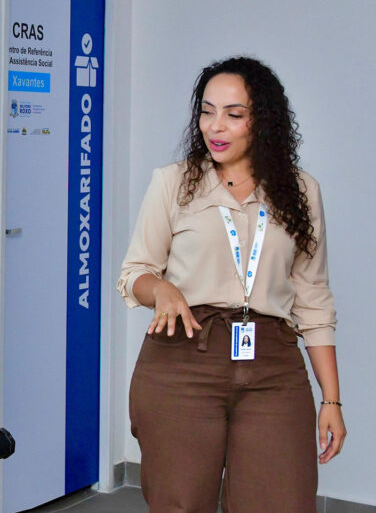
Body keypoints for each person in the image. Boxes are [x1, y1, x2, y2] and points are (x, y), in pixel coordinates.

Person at [117, 56, 345, 512]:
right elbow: (134, 274)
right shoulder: (173, 183)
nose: (215, 126)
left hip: (272, 364)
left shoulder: (301, 192)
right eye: (207, 111)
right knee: (181, 504)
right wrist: (160, 289)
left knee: (281, 503)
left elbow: (314, 298)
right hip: (183, 359)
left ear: (263, 122)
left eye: (234, 114)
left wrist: (332, 401)